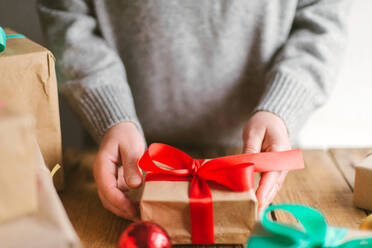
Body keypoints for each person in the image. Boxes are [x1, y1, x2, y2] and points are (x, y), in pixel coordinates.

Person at [38, 0, 349, 220]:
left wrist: (282, 107)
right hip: (128, 166)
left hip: (257, 164)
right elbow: (68, 17)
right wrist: (110, 115)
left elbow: (323, 20)